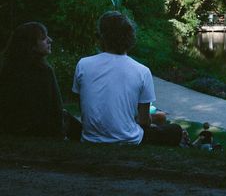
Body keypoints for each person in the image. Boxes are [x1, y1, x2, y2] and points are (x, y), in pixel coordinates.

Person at [72, 11, 182, 145]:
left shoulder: (83, 64)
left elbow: (83, 108)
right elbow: (144, 122)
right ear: (129, 38)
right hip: (129, 140)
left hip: (90, 138)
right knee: (175, 130)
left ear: (101, 37)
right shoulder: (142, 71)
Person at [0, 22, 65, 138]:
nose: (50, 40)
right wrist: (60, 135)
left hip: (12, 132)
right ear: (31, 45)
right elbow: (56, 108)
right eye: (44, 38)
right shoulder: (44, 71)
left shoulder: (7, 70)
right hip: (42, 133)